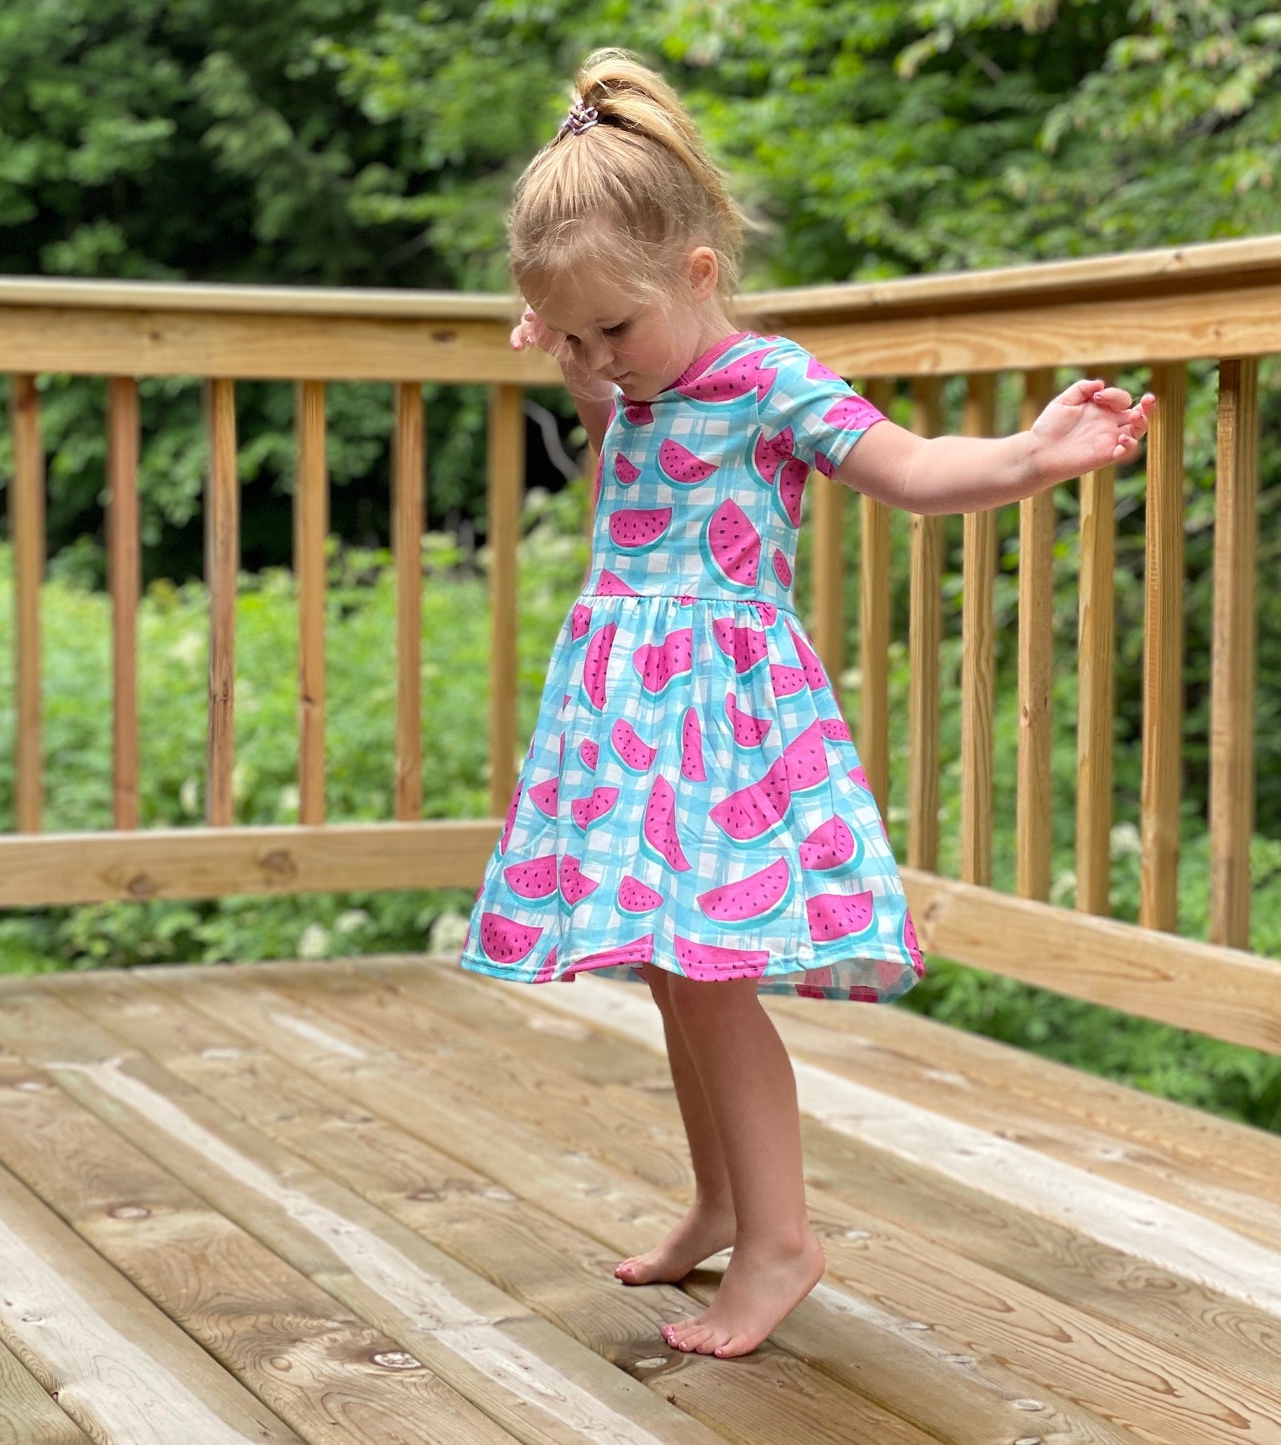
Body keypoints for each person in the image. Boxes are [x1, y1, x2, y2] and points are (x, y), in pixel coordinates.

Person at [458, 48, 1154, 1360]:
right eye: (573, 335)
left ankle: (781, 1242)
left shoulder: (769, 383)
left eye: (614, 328)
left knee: (713, 979)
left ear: (697, 276)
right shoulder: (629, 379)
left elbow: (910, 467)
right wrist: (576, 358)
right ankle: (720, 1202)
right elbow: (609, 406)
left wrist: (1029, 452)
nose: (598, 360)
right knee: (673, 975)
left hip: (720, 724)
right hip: (622, 714)